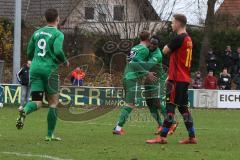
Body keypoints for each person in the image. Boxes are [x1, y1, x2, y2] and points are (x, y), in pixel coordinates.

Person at [16, 8, 69, 141]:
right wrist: (64, 60)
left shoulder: (37, 33)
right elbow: (57, 51)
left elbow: (29, 50)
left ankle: (25, 111)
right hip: (49, 71)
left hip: (35, 70)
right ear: (57, 19)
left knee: (36, 101)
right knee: (53, 102)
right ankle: (49, 134)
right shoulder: (58, 34)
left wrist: (31, 59)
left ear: (45, 19)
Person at [146, 14, 197, 144]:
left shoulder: (179, 38)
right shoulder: (189, 39)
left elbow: (164, 50)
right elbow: (179, 59)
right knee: (183, 108)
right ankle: (192, 136)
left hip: (176, 80)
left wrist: (171, 76)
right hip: (183, 78)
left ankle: (162, 137)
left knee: (170, 107)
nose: (171, 24)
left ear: (179, 23)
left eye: (173, 22)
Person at [112, 31, 157, 135]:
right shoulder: (145, 50)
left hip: (126, 76)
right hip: (132, 77)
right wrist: (147, 73)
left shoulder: (135, 48)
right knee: (130, 104)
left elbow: (130, 60)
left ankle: (118, 126)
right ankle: (118, 128)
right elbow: (135, 63)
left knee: (130, 103)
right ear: (148, 39)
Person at [144, 36, 178, 135]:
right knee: (149, 103)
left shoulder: (158, 55)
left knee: (157, 102)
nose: (152, 45)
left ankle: (173, 122)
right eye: (151, 43)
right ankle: (160, 124)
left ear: (157, 45)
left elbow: (146, 65)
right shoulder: (146, 49)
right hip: (148, 80)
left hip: (157, 80)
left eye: (155, 44)